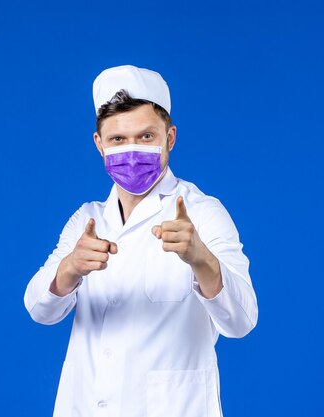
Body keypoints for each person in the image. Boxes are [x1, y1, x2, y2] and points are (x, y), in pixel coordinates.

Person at [24, 64, 258, 417]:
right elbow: (39, 310)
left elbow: (242, 322)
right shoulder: (88, 219)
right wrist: (69, 268)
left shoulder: (204, 213)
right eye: (118, 139)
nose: (132, 151)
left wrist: (201, 259)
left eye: (146, 137)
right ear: (99, 145)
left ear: (170, 137)